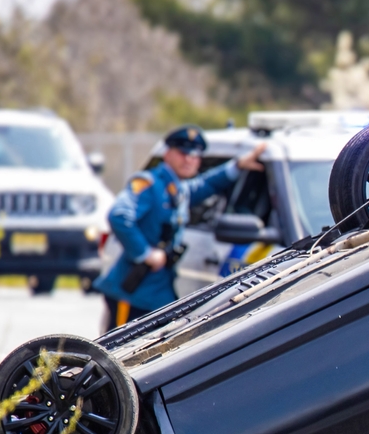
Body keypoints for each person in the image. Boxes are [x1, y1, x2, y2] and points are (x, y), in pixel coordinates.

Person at [94, 125, 266, 329]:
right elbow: (119, 216)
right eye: (183, 153)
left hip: (158, 294)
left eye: (195, 156)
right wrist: (145, 253)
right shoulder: (150, 183)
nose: (189, 160)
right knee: (117, 353)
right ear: (167, 153)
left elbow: (207, 184)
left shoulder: (178, 188)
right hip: (132, 292)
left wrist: (238, 165)